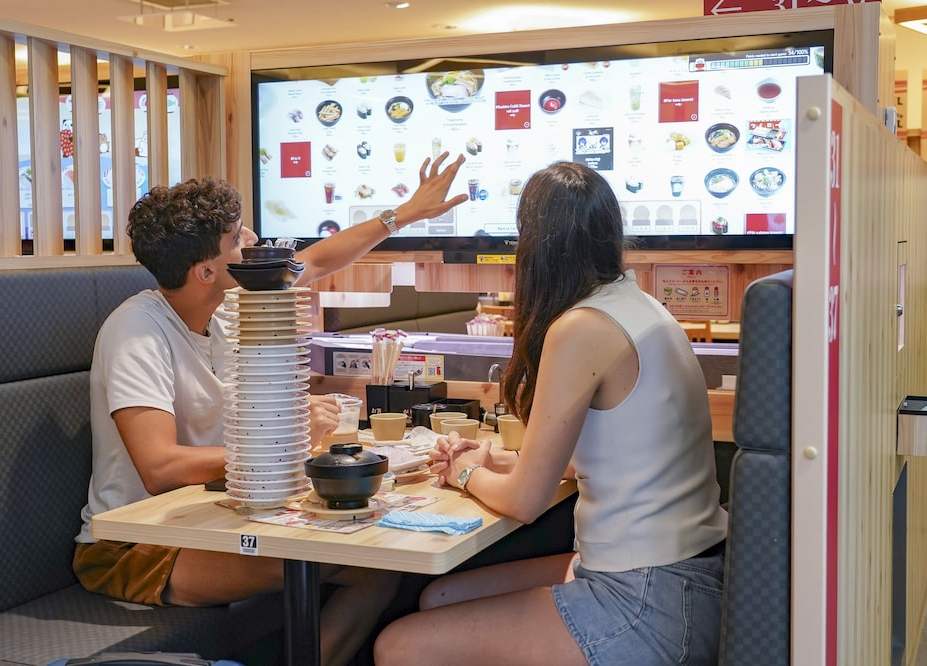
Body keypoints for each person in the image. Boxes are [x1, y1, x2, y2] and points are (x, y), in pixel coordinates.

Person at [74, 153, 467, 666]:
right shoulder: (137, 332)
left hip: (216, 511)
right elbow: (160, 467)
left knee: (382, 562)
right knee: (366, 563)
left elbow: (316, 262)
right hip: (135, 547)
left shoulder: (230, 309)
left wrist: (406, 213)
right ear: (207, 270)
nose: (253, 239)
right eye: (237, 238)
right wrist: (285, 443)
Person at [374, 161, 728, 665]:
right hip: (695, 582)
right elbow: (597, 457)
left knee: (398, 646)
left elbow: (525, 502)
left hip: (647, 600)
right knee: (439, 596)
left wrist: (465, 472)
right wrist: (494, 458)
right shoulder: (639, 305)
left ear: (535, 246)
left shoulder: (582, 327)